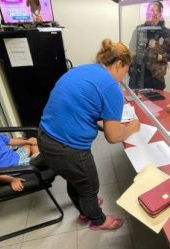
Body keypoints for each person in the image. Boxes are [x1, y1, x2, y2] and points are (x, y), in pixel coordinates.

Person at [36, 39, 140, 231]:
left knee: (75, 179)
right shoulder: (111, 87)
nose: (126, 73)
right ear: (119, 64)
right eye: (127, 68)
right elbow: (114, 137)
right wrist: (132, 127)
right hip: (67, 148)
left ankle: (84, 210)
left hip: (45, 137)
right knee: (89, 186)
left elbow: (80, 108)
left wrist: (107, 126)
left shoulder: (82, 70)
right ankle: (98, 220)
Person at [128, 1, 170, 90]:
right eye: (149, 14)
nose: (151, 17)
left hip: (154, 79)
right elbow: (131, 50)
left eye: (155, 14)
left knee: (153, 103)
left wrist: (160, 57)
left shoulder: (165, 33)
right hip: (137, 77)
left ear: (159, 15)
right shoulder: (139, 30)